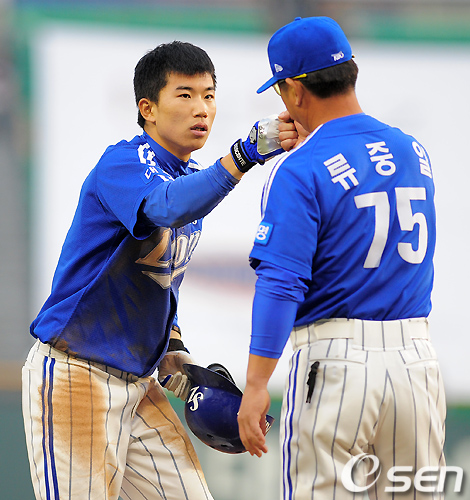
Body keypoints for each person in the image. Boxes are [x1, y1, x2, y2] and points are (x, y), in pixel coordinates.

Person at [22, 40, 293, 500]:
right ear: (147, 108)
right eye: (184, 95)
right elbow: (165, 207)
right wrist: (242, 156)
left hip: (139, 385)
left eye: (208, 95)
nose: (201, 108)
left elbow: (158, 284)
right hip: (76, 377)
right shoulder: (122, 163)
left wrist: (175, 351)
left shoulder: (191, 181)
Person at [237, 16, 446, 500]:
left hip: (337, 363)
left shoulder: (300, 167)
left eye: (281, 89)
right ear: (351, 71)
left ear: (295, 89)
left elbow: (281, 282)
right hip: (417, 362)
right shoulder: (413, 151)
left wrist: (256, 383)